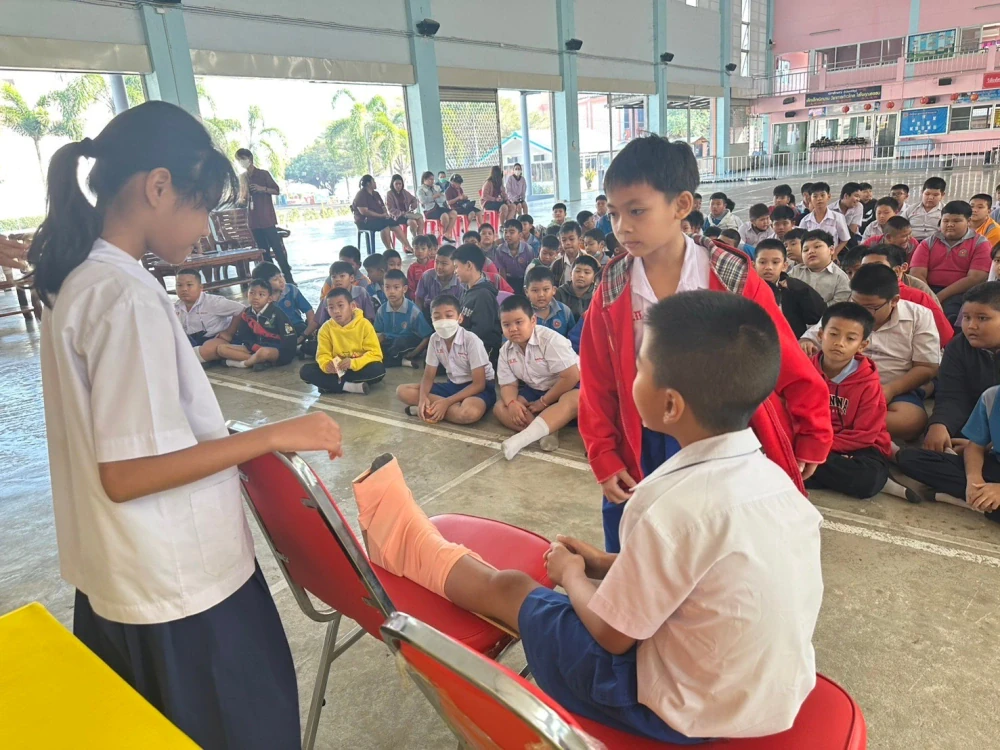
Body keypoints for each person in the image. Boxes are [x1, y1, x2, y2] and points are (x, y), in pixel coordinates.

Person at [351, 290, 823, 744]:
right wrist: (603, 561)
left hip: (672, 713)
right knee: (589, 587)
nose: (628, 377)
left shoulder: (662, 504)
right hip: (768, 699)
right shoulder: (780, 488)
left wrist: (574, 576)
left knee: (516, 587)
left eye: (639, 369)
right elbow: (700, 577)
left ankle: (404, 544)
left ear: (670, 404)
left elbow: (614, 637)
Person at [31, 102, 347, 749]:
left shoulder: (77, 279)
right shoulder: (126, 297)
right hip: (179, 594)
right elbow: (125, 472)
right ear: (157, 187)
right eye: (201, 207)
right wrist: (271, 434)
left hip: (120, 579)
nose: (205, 229)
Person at [577, 136, 831, 552]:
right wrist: (603, 454)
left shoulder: (730, 275)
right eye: (615, 212)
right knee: (643, 549)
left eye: (637, 210)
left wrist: (813, 428)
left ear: (681, 206)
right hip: (645, 440)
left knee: (721, 548)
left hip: (724, 439)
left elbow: (781, 354)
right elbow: (596, 382)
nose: (621, 226)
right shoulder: (612, 286)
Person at [800, 264, 940, 442]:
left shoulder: (919, 316)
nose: (860, 312)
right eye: (855, 303)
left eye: (870, 307)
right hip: (841, 388)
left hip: (893, 388)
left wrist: (890, 390)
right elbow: (812, 338)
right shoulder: (845, 311)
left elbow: (927, 367)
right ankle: (850, 429)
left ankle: (835, 429)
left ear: (894, 300)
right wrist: (805, 343)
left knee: (910, 421)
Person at [805, 302, 896, 499]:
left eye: (851, 338)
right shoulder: (804, 372)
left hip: (859, 449)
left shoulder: (869, 384)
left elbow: (865, 435)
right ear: (821, 335)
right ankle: (812, 471)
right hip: (813, 443)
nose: (840, 343)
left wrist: (820, 448)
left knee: (867, 479)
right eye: (834, 334)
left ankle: (806, 472)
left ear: (862, 345)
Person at [910, 282, 1000, 460]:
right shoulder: (958, 347)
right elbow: (953, 396)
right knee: (929, 453)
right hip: (978, 423)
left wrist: (985, 446)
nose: (971, 326)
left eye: (982, 318)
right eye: (966, 318)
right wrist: (940, 424)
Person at [495, 295, 581, 458]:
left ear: (533, 320)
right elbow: (508, 385)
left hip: (570, 385)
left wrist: (544, 402)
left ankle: (522, 439)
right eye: (506, 325)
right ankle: (549, 427)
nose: (513, 329)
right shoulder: (505, 351)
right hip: (537, 388)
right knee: (501, 408)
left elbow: (571, 376)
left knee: (574, 400)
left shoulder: (550, 340)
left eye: (519, 322)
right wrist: (512, 403)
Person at [396, 294, 497, 424]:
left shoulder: (471, 340)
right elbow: (428, 376)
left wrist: (446, 402)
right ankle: (431, 408)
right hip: (453, 385)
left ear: (460, 318)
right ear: (431, 319)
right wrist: (422, 398)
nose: (443, 322)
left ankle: (431, 409)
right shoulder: (434, 339)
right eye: (437, 317)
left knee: (468, 414)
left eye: (449, 316)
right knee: (402, 391)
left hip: (477, 388)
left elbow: (479, 384)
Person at [909, 200, 992, 322]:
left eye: (956, 221)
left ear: (968, 222)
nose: (950, 224)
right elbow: (916, 273)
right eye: (946, 221)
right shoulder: (928, 242)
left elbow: (976, 278)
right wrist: (929, 296)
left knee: (950, 315)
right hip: (928, 290)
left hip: (962, 293)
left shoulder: (981, 244)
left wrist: (940, 297)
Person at [859, 244, 952, 346]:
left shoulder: (918, 297)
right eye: (865, 268)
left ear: (897, 270)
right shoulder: (855, 294)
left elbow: (943, 337)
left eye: (878, 267)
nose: (869, 273)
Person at [300, 287, 385, 394]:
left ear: (352, 306)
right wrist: (327, 365)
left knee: (378, 370)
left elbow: (375, 354)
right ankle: (349, 387)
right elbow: (322, 354)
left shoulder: (365, 325)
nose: (336, 311)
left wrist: (353, 363)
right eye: (331, 307)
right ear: (327, 310)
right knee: (306, 371)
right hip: (337, 370)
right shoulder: (325, 329)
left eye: (340, 305)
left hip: (357, 367)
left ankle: (331, 385)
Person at [207, 278, 296, 369]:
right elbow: (244, 336)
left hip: (275, 351)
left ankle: (242, 364)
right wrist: (253, 346)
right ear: (247, 294)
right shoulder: (247, 313)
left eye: (261, 294)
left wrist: (285, 357)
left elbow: (289, 339)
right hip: (254, 348)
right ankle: (258, 362)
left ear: (269, 299)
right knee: (221, 349)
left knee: (263, 352)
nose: (256, 297)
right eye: (252, 293)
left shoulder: (277, 313)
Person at [236, 147, 295, 284]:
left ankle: (288, 277)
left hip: (267, 218)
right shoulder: (243, 177)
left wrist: (262, 189)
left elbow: (276, 190)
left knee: (278, 249)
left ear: (250, 159)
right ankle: (271, 280)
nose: (241, 162)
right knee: (264, 251)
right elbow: (242, 198)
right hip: (253, 220)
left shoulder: (263, 174)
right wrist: (242, 199)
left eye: (243, 159)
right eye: (239, 160)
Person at [753, 238, 826, 338]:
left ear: (784, 266)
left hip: (792, 342)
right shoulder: (747, 290)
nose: (768, 267)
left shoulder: (794, 288)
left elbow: (816, 316)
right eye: (762, 262)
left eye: (775, 262)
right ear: (753, 265)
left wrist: (801, 289)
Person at [173, 268, 245, 361]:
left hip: (215, 337)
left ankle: (190, 358)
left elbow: (241, 309)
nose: (184, 289)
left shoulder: (213, 302)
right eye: (179, 285)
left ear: (200, 287)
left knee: (209, 349)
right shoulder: (176, 306)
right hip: (191, 339)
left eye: (189, 285)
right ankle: (194, 357)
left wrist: (229, 332)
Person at [453, 243, 503, 359]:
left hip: (484, 349)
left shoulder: (483, 294)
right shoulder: (468, 290)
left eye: (456, 266)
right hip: (468, 343)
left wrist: (459, 343)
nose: (455, 271)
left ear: (469, 265)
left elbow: (482, 331)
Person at [375, 269, 433, 368]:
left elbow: (427, 336)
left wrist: (414, 353)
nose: (391, 291)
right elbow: (378, 333)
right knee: (375, 348)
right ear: (382, 288)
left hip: (408, 343)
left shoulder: (413, 311)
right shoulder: (381, 310)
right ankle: (401, 362)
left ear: (404, 289)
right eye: (387, 287)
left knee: (399, 343)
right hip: (390, 343)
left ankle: (392, 360)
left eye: (396, 287)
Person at [253, 261, 317, 346]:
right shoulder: (262, 298)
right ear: (264, 284)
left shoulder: (291, 290)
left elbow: (309, 311)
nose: (281, 281)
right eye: (275, 279)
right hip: (276, 331)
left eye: (281, 276)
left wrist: (310, 331)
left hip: (296, 326)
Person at [786, 229, 851, 305]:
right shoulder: (795, 271)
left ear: (831, 250)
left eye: (817, 246)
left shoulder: (841, 278)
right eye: (806, 250)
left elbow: (837, 308)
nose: (811, 251)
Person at [352, 175, 405, 252]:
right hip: (365, 222)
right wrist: (380, 215)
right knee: (385, 226)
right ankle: (389, 250)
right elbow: (364, 211)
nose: (375, 183)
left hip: (379, 219)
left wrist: (385, 214)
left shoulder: (375, 194)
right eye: (373, 181)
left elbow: (383, 206)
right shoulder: (361, 194)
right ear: (368, 184)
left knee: (395, 224)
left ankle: (407, 246)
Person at [799, 181, 850, 259]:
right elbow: (801, 242)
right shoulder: (805, 221)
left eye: (822, 195)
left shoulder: (838, 217)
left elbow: (845, 239)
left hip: (830, 256)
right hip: (812, 257)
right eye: (815, 196)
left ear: (829, 197)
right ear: (810, 199)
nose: (819, 199)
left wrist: (834, 254)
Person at [525, 265, 575, 337]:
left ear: (554, 290)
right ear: (526, 292)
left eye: (546, 289)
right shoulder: (522, 313)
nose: (541, 295)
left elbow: (573, 339)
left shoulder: (565, 311)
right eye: (535, 290)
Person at [416, 242, 464, 315]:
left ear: (455, 265)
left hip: (451, 317)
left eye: (444, 263)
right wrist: (420, 316)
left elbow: (461, 308)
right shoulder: (427, 276)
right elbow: (419, 298)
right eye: (437, 262)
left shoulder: (460, 282)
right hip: (429, 313)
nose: (439, 267)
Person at [495, 218, 534, 294]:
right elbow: (502, 271)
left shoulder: (528, 249)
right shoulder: (500, 249)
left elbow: (530, 270)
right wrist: (504, 290)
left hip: (524, 280)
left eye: (511, 232)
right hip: (508, 280)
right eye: (505, 232)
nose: (507, 235)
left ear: (519, 235)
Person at [385, 173, 422, 252]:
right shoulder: (389, 194)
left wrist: (413, 204)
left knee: (416, 221)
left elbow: (414, 199)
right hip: (397, 217)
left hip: (406, 215)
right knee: (413, 221)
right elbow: (390, 209)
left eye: (400, 184)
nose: (398, 186)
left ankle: (418, 239)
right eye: (396, 184)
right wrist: (402, 213)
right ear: (392, 184)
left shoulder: (404, 192)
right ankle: (410, 243)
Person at [555, 254, 599, 319]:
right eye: (577, 271)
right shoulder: (560, 292)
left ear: (594, 278)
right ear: (570, 274)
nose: (581, 275)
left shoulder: (596, 294)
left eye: (586, 272)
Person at [417, 171, 456, 242]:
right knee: (445, 216)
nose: (432, 181)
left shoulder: (436, 187)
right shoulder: (420, 189)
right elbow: (423, 200)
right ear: (424, 180)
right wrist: (433, 197)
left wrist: (438, 197)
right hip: (430, 210)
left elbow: (443, 198)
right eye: (430, 179)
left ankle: (446, 233)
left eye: (433, 179)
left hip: (439, 207)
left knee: (454, 213)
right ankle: (442, 235)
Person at [907, 177, 946, 242]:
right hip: (912, 243)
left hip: (936, 243)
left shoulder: (946, 210)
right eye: (927, 194)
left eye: (935, 195)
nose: (930, 198)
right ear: (922, 192)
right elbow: (899, 224)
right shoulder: (911, 209)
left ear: (942, 195)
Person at [554, 220, 585, 286]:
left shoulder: (588, 260)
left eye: (571, 239)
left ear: (579, 240)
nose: (567, 243)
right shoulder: (556, 264)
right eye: (564, 240)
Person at [407, 233, 436, 300]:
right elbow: (411, 289)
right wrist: (417, 298)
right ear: (413, 249)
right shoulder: (412, 268)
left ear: (429, 250)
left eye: (423, 249)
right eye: (416, 248)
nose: (419, 251)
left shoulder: (435, 264)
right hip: (418, 300)